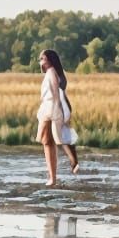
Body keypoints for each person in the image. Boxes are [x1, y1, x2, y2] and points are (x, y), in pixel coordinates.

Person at [36, 48, 79, 186]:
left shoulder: (51, 73)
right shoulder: (52, 72)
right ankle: (53, 177)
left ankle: (72, 162)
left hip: (51, 109)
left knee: (53, 142)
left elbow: (56, 94)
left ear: (49, 61)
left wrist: (59, 111)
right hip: (49, 109)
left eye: (42, 59)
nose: (40, 62)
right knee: (49, 142)